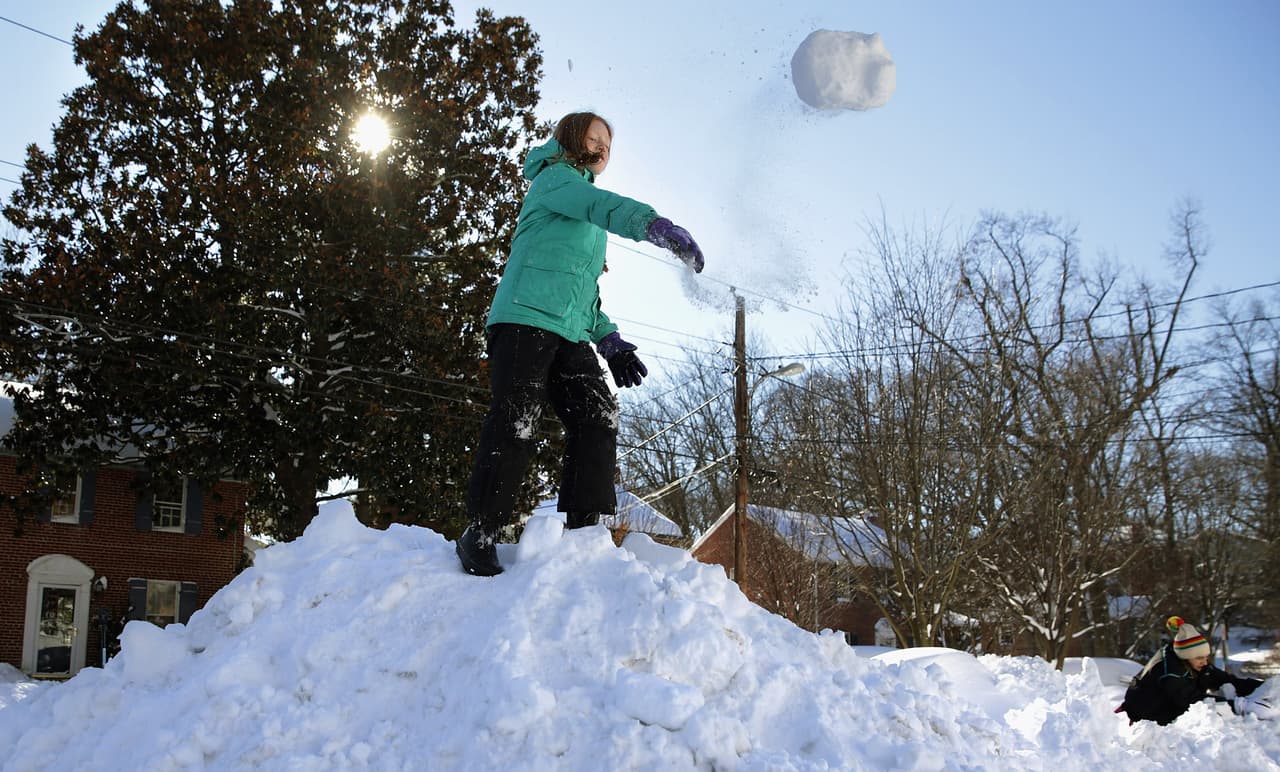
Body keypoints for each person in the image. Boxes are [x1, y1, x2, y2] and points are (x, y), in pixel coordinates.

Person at [455, 111, 704, 577]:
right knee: (518, 420)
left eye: (608, 143)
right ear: (570, 139)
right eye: (593, 138)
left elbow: (579, 290)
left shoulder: (584, 212)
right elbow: (601, 206)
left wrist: (608, 337)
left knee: (597, 414)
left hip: (567, 330)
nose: (602, 148)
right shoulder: (555, 182)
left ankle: (585, 530)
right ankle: (482, 531)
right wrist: (653, 225)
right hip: (523, 319)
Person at [1117, 616, 1270, 725]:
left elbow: (1225, 680)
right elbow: (1193, 701)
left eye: (1206, 657)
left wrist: (1266, 687)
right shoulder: (1170, 672)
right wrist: (1240, 706)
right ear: (1186, 657)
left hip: (1171, 709)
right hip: (1148, 720)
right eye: (1199, 658)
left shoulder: (1195, 662)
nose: (1204, 661)